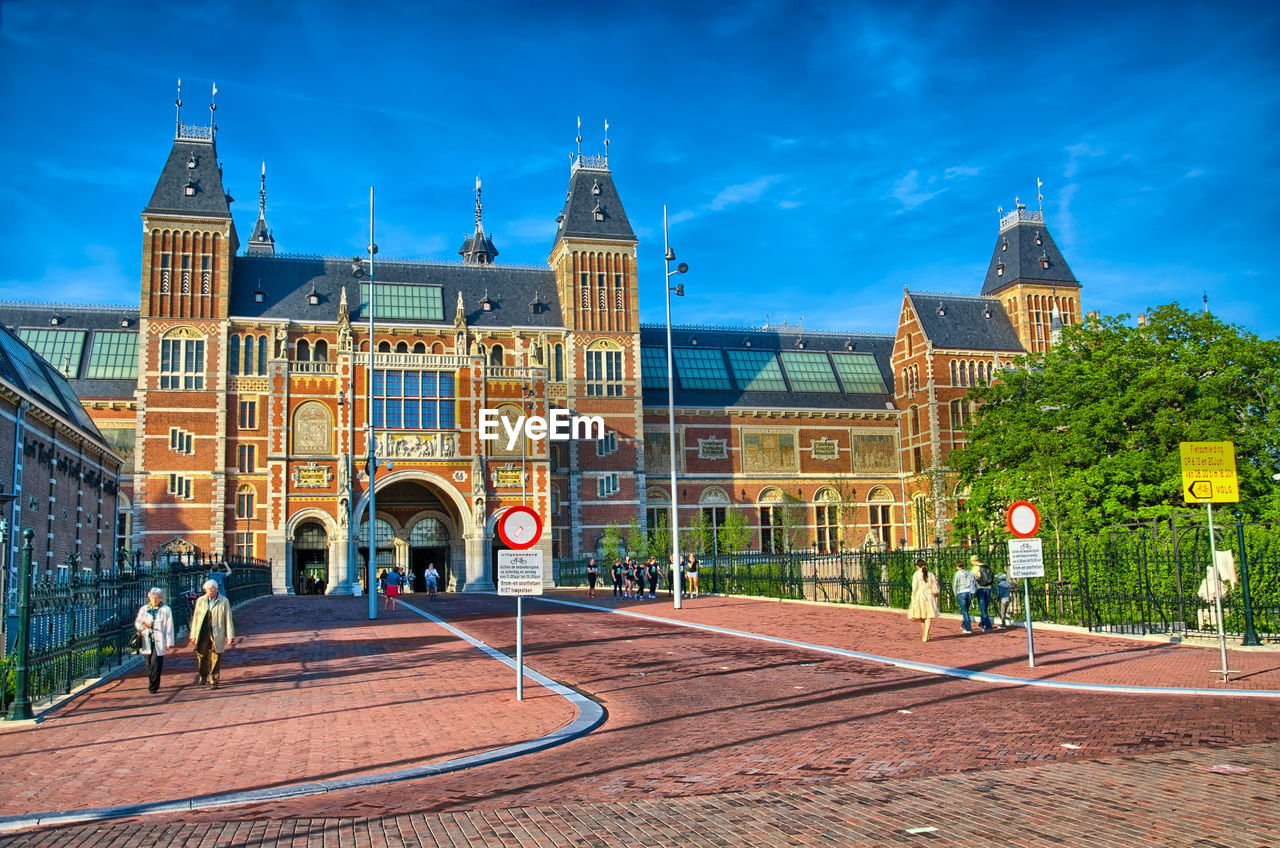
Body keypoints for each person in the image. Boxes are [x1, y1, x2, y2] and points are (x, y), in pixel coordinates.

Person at [189, 579, 236, 689]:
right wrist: (193, 635)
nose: (210, 591)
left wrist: (230, 635)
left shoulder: (224, 601)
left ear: (216, 589)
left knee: (216, 655)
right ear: (205, 590)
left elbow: (228, 618)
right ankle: (203, 674)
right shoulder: (200, 600)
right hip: (203, 630)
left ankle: (214, 680)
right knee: (201, 654)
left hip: (217, 630)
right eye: (208, 589)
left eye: (212, 589)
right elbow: (195, 618)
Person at [135, 587, 176, 694]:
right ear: (149, 598)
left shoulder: (166, 609)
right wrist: (144, 625)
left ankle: (154, 685)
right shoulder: (144, 609)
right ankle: (151, 679)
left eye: (156, 598)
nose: (154, 600)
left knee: (156, 663)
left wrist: (169, 642)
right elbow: (138, 622)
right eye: (152, 598)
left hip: (159, 639)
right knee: (148, 664)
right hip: (147, 639)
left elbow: (169, 626)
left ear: (161, 598)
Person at [907, 560, 941, 642]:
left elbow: (914, 587)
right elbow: (935, 586)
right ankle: (926, 634)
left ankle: (925, 634)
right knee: (929, 616)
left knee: (922, 616)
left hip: (919, 596)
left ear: (917, 566)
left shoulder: (916, 574)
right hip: (929, 596)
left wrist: (913, 596)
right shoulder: (930, 574)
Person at [969, 555, 995, 632]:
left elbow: (974, 578)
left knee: (983, 609)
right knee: (985, 608)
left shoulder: (975, 568)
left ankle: (988, 626)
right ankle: (982, 624)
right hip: (988, 588)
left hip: (980, 589)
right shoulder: (986, 566)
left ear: (973, 561)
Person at [953, 561, 976, 634]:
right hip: (968, 592)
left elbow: (955, 584)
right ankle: (964, 625)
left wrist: (955, 593)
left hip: (961, 592)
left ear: (957, 567)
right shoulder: (969, 572)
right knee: (966, 610)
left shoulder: (957, 574)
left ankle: (968, 628)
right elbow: (973, 581)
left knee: (964, 611)